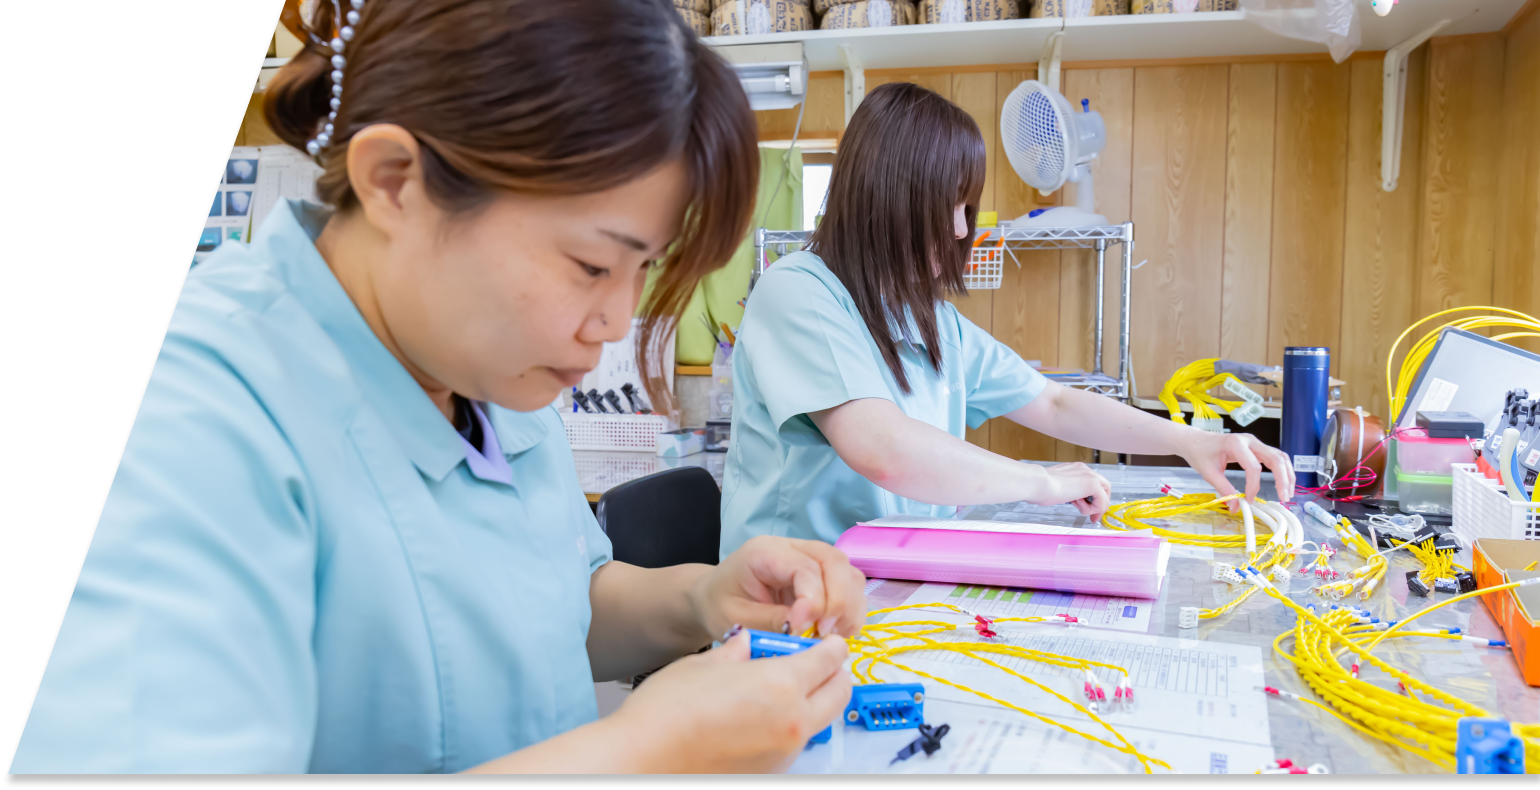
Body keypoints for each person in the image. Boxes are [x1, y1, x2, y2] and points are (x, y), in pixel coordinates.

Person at [13, 0, 864, 774]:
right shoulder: (197, 410)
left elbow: (556, 604)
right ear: (394, 182)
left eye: (643, 269)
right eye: (592, 264)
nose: (615, 320)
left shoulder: (479, 365)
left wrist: (701, 596)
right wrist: (643, 748)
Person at [719, 82, 1296, 557]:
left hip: (892, 584)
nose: (960, 229)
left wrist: (1191, 441)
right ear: (889, 196)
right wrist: (1042, 483)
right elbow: (884, 449)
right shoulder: (796, 294)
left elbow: (1052, 401)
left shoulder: (929, 320)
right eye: (948, 204)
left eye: (966, 207)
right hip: (789, 610)